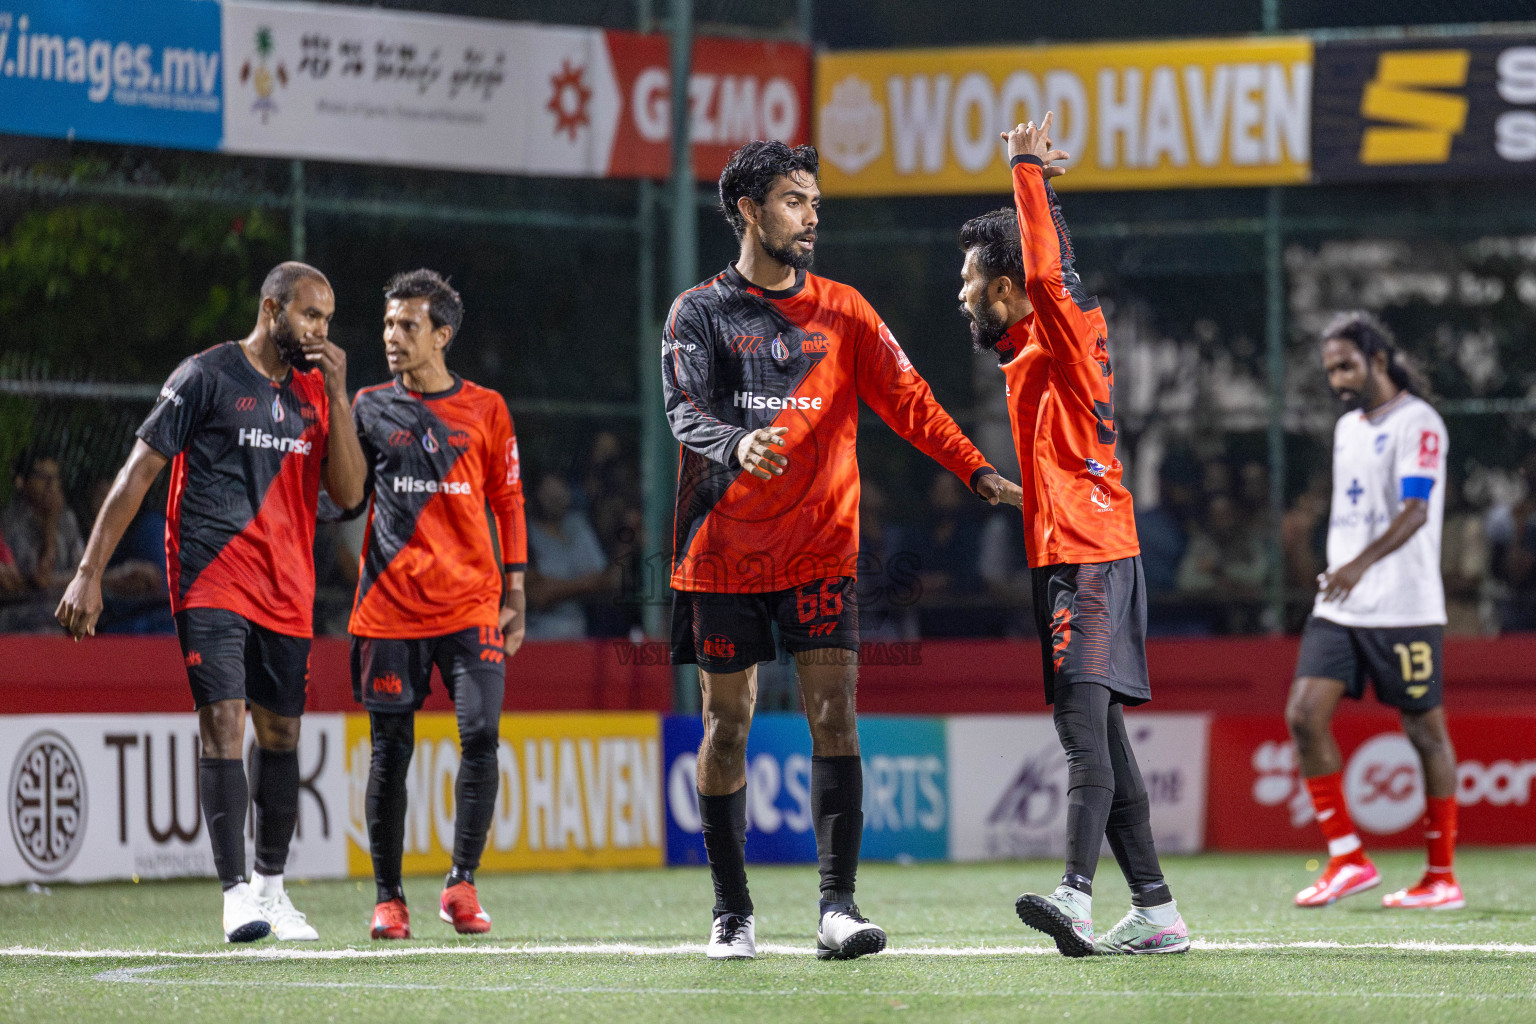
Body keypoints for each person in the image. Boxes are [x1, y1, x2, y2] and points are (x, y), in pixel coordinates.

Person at [664, 139, 1022, 960]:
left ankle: (837, 908)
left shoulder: (847, 310)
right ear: (749, 210)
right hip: (720, 551)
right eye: (795, 201)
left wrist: (977, 472)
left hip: (822, 549)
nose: (811, 216)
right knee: (727, 725)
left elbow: (913, 403)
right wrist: (734, 444)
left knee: (835, 717)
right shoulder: (698, 311)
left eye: (816, 203)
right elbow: (681, 408)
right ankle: (732, 913)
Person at [56, 262, 367, 942]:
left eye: (328, 320)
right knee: (224, 720)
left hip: (288, 588)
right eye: (310, 315)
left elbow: (346, 498)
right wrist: (89, 571)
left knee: (281, 734)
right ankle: (234, 897)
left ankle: (272, 890)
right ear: (271, 309)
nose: (320, 330)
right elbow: (138, 473)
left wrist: (340, 396)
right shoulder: (206, 376)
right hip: (211, 576)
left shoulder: (319, 394)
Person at [957, 112, 1190, 956]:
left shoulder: (1057, 330)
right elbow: (1049, 272)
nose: (961, 292)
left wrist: (1024, 171)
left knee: (1081, 730)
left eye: (972, 278)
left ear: (1011, 286)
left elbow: (1051, 275)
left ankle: (1078, 895)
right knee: (1101, 737)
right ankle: (1157, 909)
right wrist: (1046, 197)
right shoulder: (1036, 344)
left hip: (1089, 554)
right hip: (1071, 551)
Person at [345, 270, 527, 941]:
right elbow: (343, 496)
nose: (393, 337)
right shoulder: (365, 407)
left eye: (408, 326)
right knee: (390, 751)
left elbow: (508, 499)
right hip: (390, 608)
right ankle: (389, 899)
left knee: (480, 734)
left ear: (441, 335)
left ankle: (461, 883)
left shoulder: (486, 408)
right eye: (389, 324)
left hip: (473, 603)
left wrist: (517, 591)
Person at [1285, 311, 1461, 910]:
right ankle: (1347, 858)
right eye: (1330, 368)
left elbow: (1414, 513)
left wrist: (1359, 563)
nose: (1337, 379)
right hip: (1342, 605)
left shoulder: (1420, 423)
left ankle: (1441, 876)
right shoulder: (1348, 428)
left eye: (1346, 365)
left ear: (1377, 360)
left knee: (1424, 732)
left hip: (1405, 605)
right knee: (1305, 716)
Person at [2, 449, 85, 631]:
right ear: (21, 482)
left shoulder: (67, 519)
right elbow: (38, 580)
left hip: (64, 619)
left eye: (55, 479)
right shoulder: (10, 521)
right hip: (21, 622)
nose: (51, 486)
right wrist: (50, 527)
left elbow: (83, 573)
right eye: (43, 478)